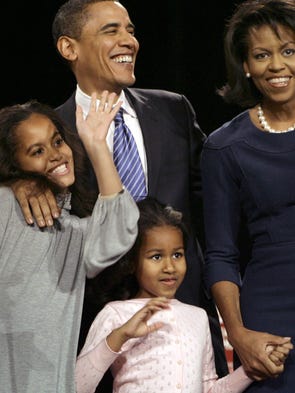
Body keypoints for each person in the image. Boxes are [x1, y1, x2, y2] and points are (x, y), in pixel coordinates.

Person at [11, 0, 228, 378]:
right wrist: (18, 182)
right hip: (90, 326)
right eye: (111, 30)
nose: (129, 40)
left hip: (181, 315)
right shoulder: (50, 135)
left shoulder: (174, 110)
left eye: (130, 29)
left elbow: (217, 194)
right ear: (69, 48)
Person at [0, 91, 139, 393]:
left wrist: (97, 145)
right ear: (13, 163)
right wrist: (10, 184)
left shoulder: (74, 232)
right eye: (36, 151)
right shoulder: (6, 205)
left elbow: (118, 232)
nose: (55, 155)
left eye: (57, 141)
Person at [200, 0, 295, 391]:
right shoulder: (225, 147)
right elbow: (221, 254)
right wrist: (238, 334)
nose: (276, 66)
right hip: (271, 314)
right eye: (262, 55)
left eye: (288, 50)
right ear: (245, 65)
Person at [75, 197, 257, 393]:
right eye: (156, 256)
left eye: (177, 255)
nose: (170, 267)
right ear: (132, 262)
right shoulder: (116, 314)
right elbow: (76, 385)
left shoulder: (198, 316)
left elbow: (209, 389)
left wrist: (252, 370)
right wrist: (119, 336)